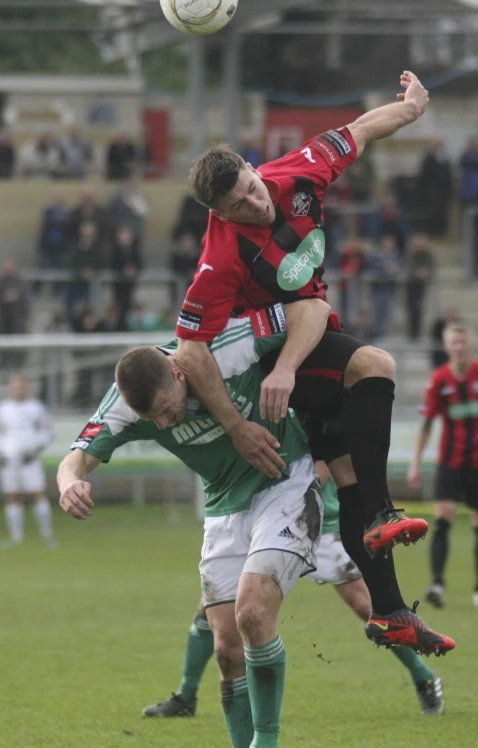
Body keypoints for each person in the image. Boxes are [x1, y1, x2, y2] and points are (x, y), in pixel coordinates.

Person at [174, 71, 455, 654]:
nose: (254, 201)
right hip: (271, 363)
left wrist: (410, 110)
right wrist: (236, 423)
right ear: (219, 213)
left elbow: (358, 130)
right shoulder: (219, 258)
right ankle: (382, 515)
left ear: (255, 167)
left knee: (347, 473)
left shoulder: (296, 171)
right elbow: (190, 349)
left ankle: (391, 612)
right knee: (374, 364)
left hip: (306, 349)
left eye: (252, 186)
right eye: (238, 204)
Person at [58, 306, 323, 748]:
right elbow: (76, 458)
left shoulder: (226, 346)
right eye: (153, 420)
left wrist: (286, 367)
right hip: (223, 505)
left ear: (179, 375)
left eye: (165, 409)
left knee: (253, 614)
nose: (163, 423)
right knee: (226, 649)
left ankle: (267, 742)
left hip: (284, 481)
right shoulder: (125, 406)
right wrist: (69, 483)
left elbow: (311, 309)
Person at [143, 461, 445, 721]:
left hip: (321, 524)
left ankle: (424, 677)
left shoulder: (303, 401)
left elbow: (322, 464)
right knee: (214, 607)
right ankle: (186, 696)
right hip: (262, 523)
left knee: (367, 606)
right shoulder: (255, 405)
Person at [407, 323, 478, 608]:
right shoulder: (439, 381)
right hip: (450, 461)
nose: (459, 347)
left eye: (463, 343)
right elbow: (427, 424)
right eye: (454, 343)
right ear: (446, 347)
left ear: (471, 346)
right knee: (443, 517)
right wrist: (415, 463)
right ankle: (438, 584)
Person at [1, 374, 56, 548]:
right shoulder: (3, 408)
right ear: (11, 388)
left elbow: (48, 432)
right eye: (16, 386)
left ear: (27, 387)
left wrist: (37, 448)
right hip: (9, 461)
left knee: (38, 494)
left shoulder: (36, 408)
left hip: (30, 460)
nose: (19, 389)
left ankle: (48, 535)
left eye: (22, 386)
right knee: (12, 496)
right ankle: (16, 538)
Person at [405, 232, 435, 341]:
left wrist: (425, 273)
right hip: (411, 285)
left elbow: (431, 267)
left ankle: (416, 333)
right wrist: (417, 274)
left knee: (418, 309)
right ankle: (412, 333)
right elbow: (408, 268)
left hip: (422, 286)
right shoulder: (410, 254)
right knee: (412, 309)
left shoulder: (428, 255)